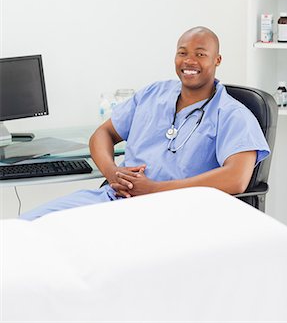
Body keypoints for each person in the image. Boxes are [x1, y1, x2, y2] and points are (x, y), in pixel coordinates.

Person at [20, 26, 270, 220]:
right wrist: (112, 172)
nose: (189, 61)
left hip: (174, 212)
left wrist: (154, 189)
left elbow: (237, 178)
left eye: (200, 54)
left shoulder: (233, 115)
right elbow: (103, 134)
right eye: (182, 53)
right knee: (28, 228)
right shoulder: (154, 94)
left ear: (217, 60)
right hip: (114, 198)